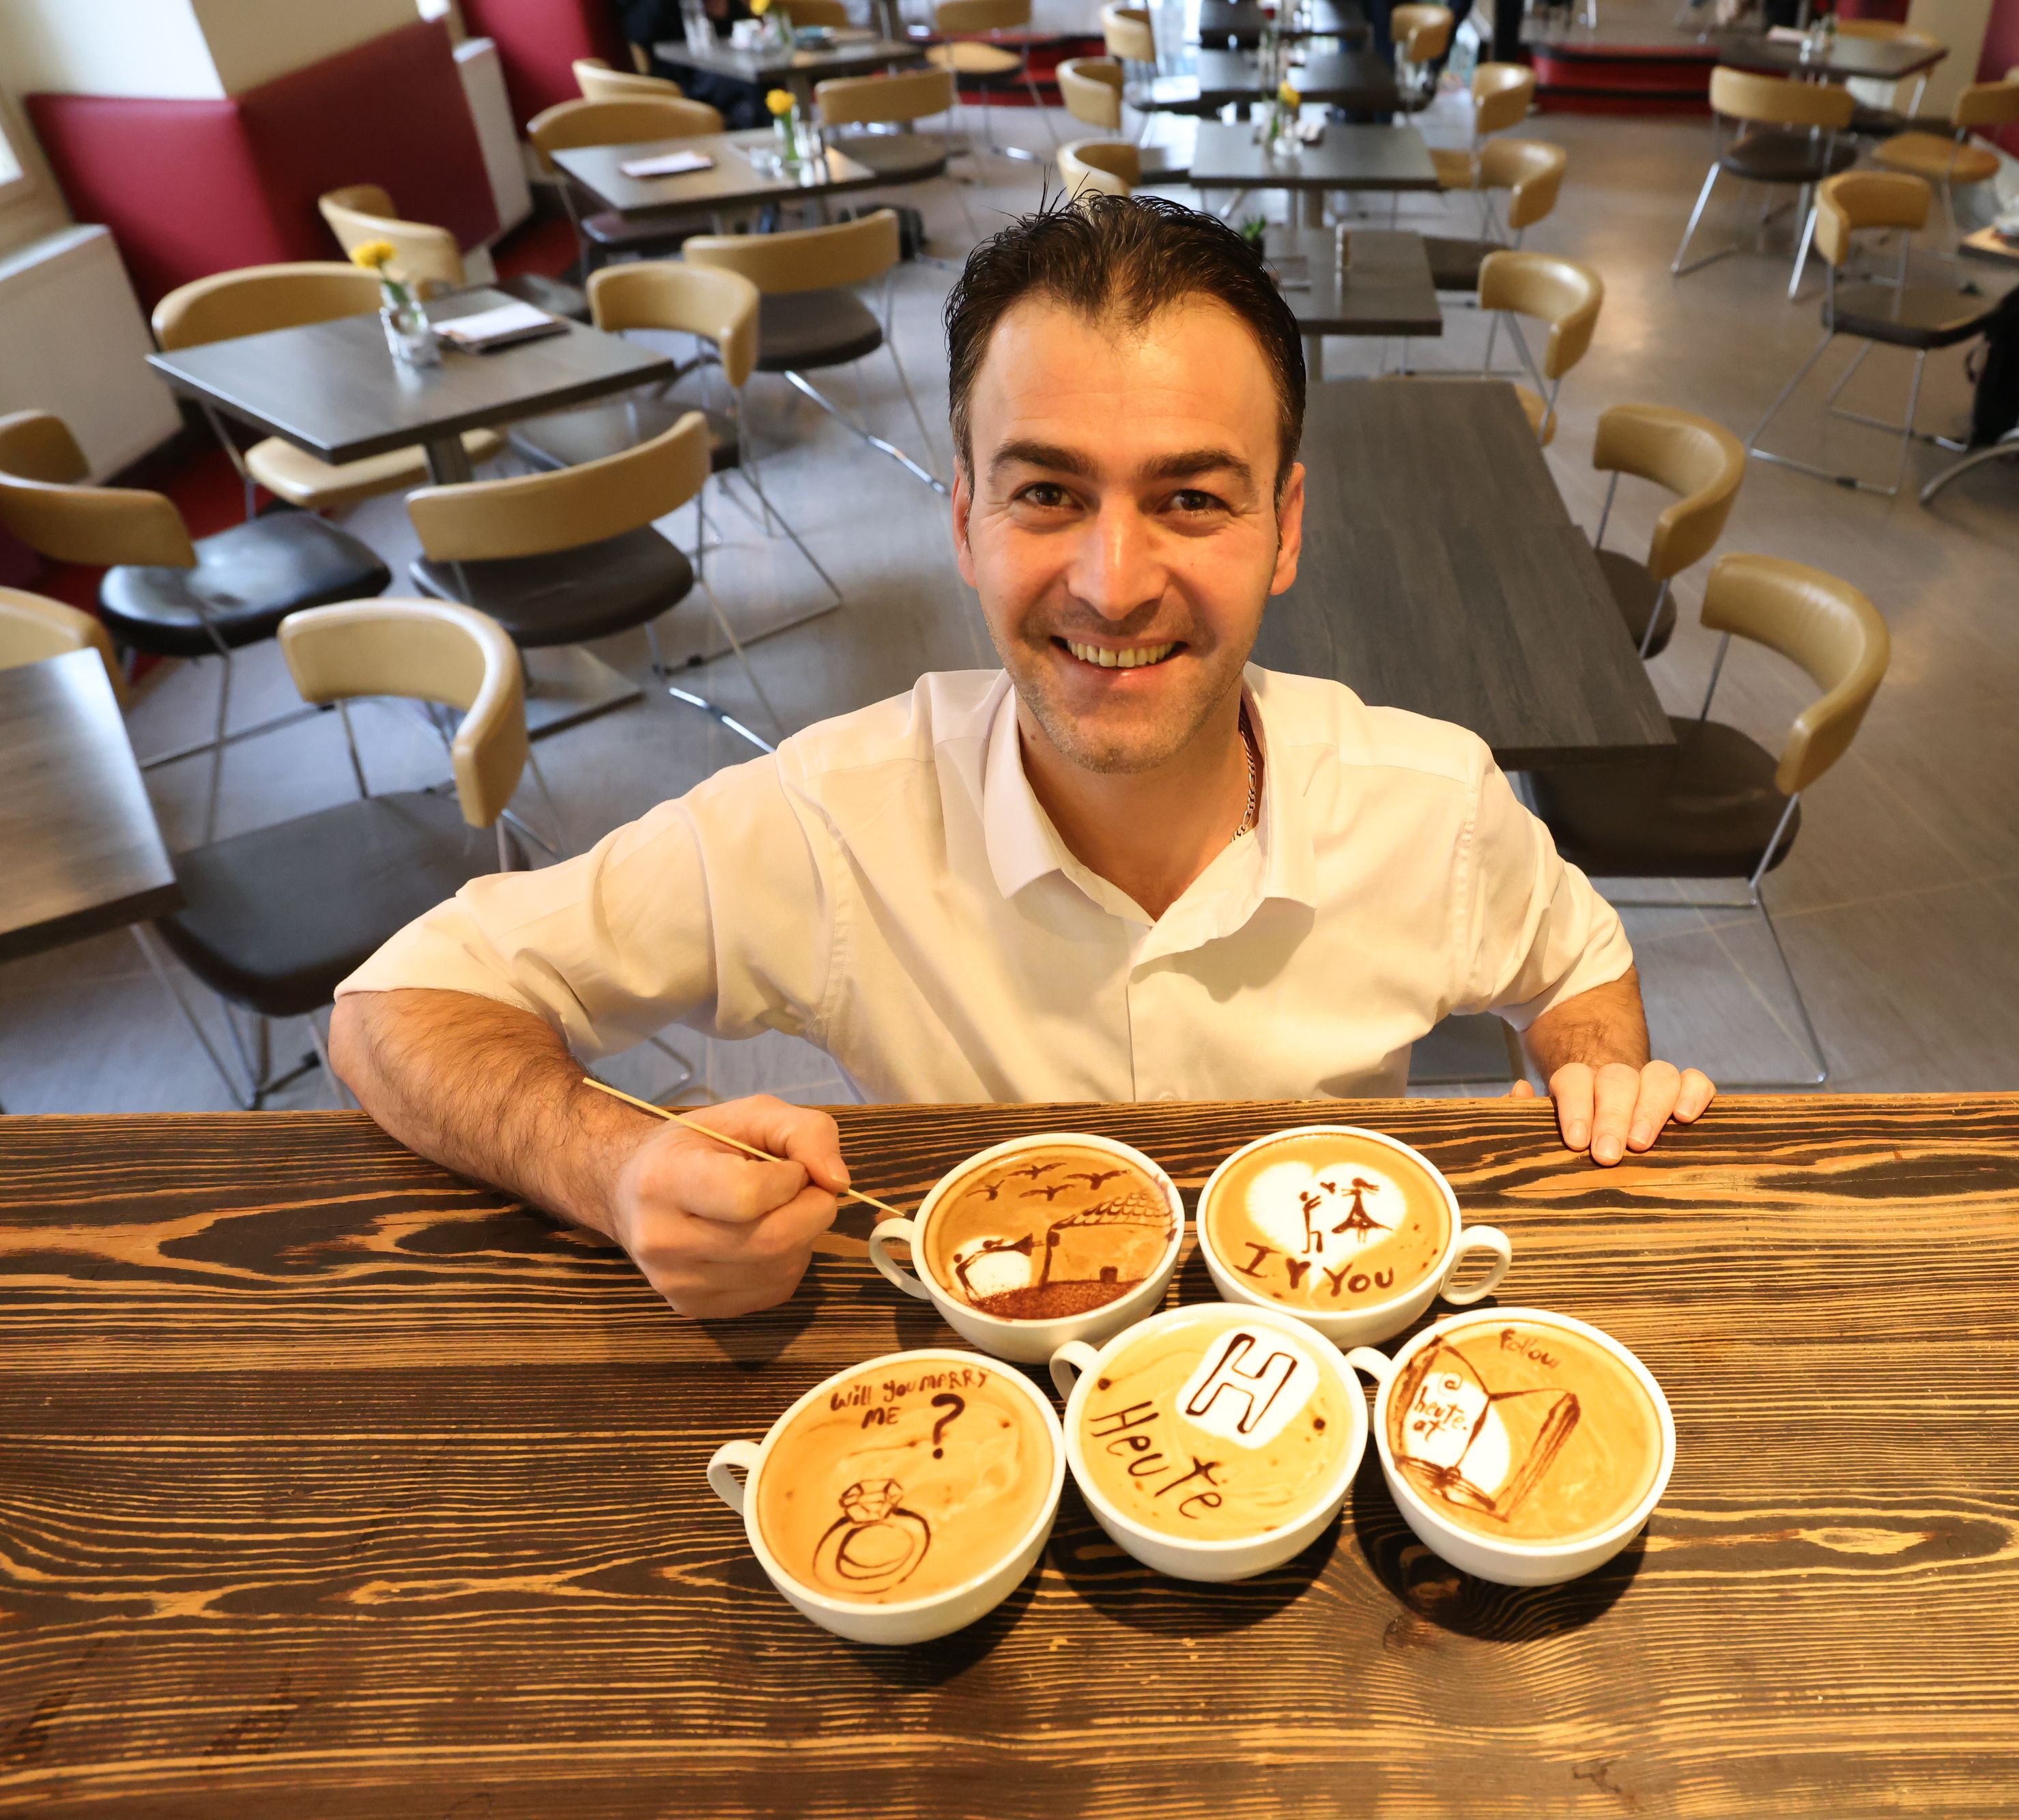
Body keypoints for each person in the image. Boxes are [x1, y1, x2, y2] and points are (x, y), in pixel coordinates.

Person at [330, 196, 1717, 1320]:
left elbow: (1574, 959)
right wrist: (614, 1164)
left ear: (1285, 530)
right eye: (1048, 493)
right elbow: (396, 1005)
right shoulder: (833, 818)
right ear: (965, 521)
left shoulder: (1432, 800)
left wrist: (1592, 1072)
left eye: (1190, 497)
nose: (1113, 585)